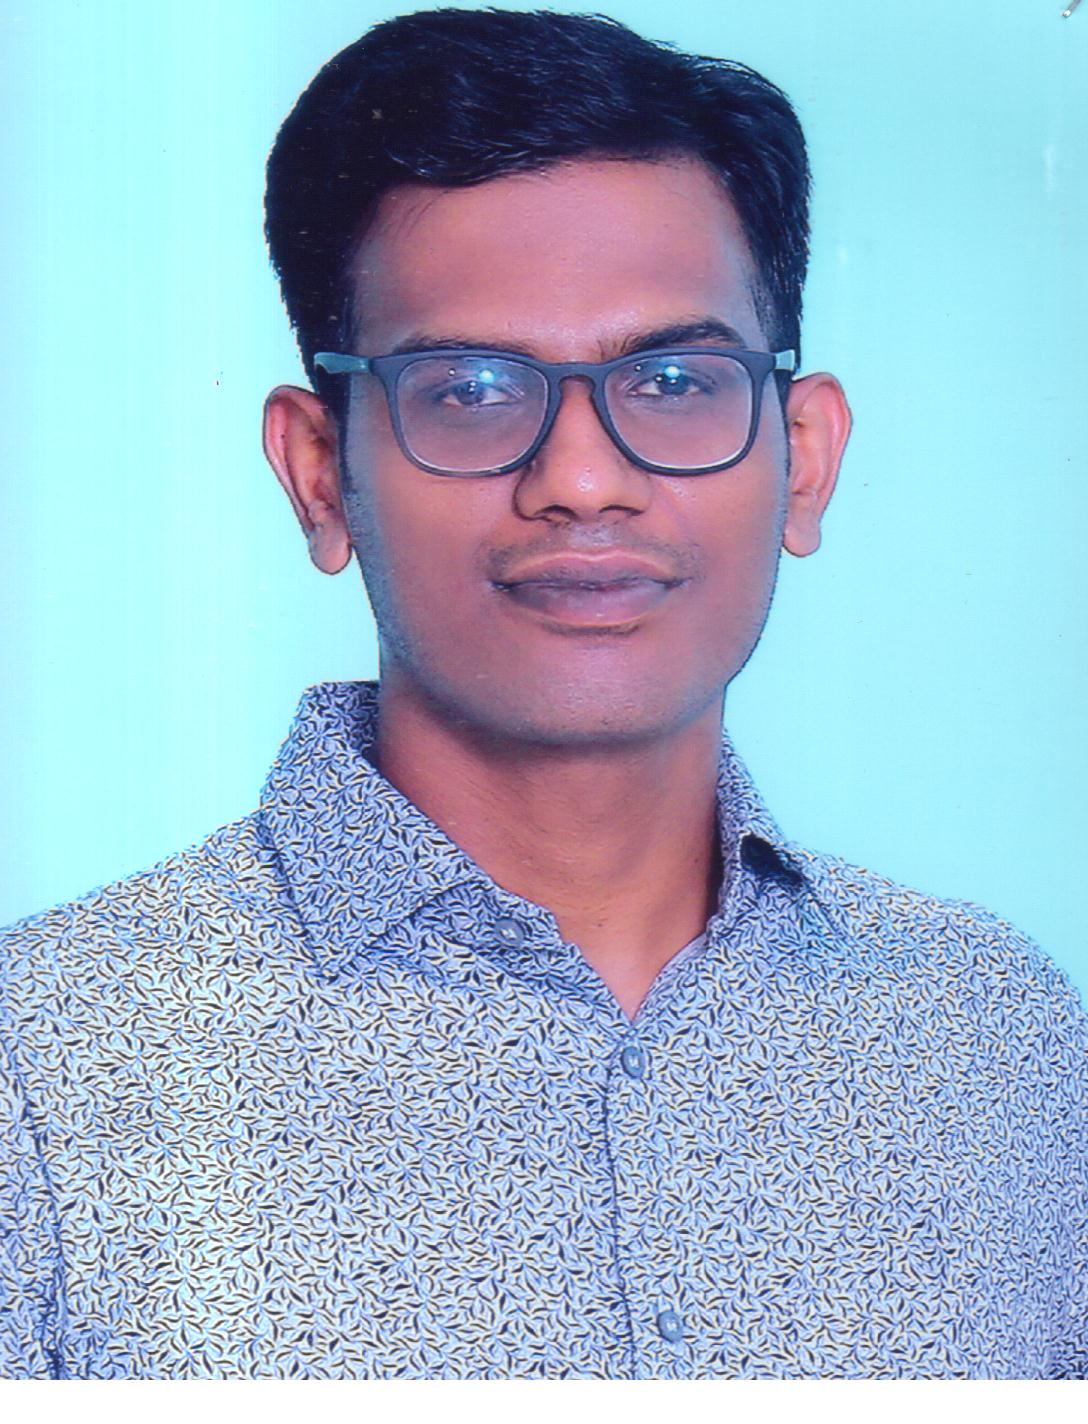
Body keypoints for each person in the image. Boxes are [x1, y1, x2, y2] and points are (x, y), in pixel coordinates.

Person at [1, 6, 1084, 1382]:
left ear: (804, 460)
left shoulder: (999, 1039)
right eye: (468, 392)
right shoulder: (47, 1068)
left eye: (676, 380)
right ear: (320, 473)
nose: (581, 479)